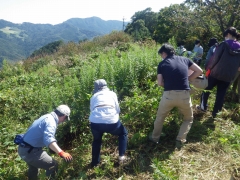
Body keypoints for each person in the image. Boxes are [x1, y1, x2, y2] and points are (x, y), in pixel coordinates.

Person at [149, 43, 203, 149]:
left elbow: (160, 83)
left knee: (160, 117)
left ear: (164, 53)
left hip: (168, 95)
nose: (161, 57)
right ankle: (180, 140)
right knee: (188, 118)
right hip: (184, 95)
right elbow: (199, 71)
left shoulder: (162, 64)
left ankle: (154, 139)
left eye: (161, 55)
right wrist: (189, 79)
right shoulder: (185, 60)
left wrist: (169, 85)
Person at [18, 105, 73, 179]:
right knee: (53, 165)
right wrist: (61, 152)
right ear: (64, 116)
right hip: (31, 151)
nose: (63, 121)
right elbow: (48, 139)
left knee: (33, 168)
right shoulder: (51, 121)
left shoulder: (46, 116)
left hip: (23, 149)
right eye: (65, 119)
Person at [198, 27, 240, 118]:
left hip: (216, 73)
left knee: (206, 89)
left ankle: (203, 107)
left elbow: (215, 58)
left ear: (228, 34)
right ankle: (215, 114)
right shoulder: (239, 47)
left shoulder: (224, 44)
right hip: (228, 76)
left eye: (225, 35)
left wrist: (209, 67)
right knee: (221, 95)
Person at [89, 79, 128, 167]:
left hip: (95, 123)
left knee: (97, 140)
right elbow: (118, 110)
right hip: (112, 122)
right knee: (123, 133)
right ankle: (121, 157)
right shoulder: (112, 94)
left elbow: (92, 110)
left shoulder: (94, 96)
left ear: (96, 89)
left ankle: (95, 163)